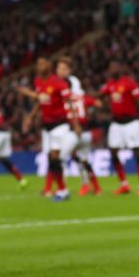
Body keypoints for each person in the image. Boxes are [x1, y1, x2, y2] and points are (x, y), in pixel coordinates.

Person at [22, 57, 79, 202]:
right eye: (38, 64)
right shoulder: (38, 82)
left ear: (49, 66)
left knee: (55, 157)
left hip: (60, 124)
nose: (40, 66)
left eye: (43, 63)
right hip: (46, 126)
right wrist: (30, 117)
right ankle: (61, 190)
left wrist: (76, 123)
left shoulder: (59, 83)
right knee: (51, 159)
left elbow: (69, 103)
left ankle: (62, 190)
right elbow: (40, 102)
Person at [100, 61, 139, 196]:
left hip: (131, 123)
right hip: (116, 123)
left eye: (114, 67)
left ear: (120, 69)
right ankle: (124, 184)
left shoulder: (129, 82)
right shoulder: (109, 84)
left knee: (137, 152)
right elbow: (101, 95)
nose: (112, 69)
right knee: (113, 152)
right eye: (110, 68)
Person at [57, 57, 101, 197]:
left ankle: (62, 189)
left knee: (61, 158)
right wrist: (95, 103)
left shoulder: (65, 97)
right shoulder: (81, 96)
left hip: (74, 130)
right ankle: (93, 186)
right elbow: (96, 103)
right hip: (86, 131)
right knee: (83, 160)